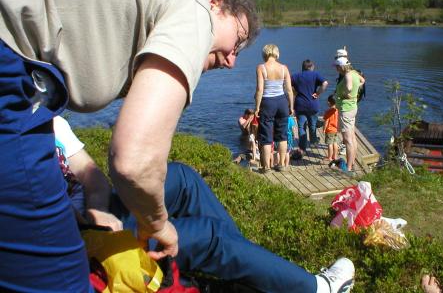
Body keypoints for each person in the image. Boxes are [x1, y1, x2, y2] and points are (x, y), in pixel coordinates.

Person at [0, 0, 260, 290]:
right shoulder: (195, 6)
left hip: (17, 67)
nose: (232, 60)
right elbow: (133, 161)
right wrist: (157, 225)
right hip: (8, 62)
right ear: (215, 3)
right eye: (238, 41)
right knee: (62, 280)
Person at [56, 116, 356, 293]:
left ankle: (243, 258)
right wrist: (87, 224)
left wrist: (96, 211)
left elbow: (93, 177)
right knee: (211, 236)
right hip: (79, 242)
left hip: (101, 216)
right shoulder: (14, 140)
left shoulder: (48, 120)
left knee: (183, 178)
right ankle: (315, 288)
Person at [254, 44, 294, 173]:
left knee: (266, 136)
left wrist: (257, 107)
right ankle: (281, 164)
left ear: (265, 53)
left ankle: (266, 167)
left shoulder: (261, 67)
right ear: (276, 53)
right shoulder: (284, 68)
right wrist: (291, 106)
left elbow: (260, 90)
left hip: (267, 102)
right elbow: (289, 90)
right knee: (282, 135)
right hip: (282, 101)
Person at [334, 56, 365, 174]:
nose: (336, 69)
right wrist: (355, 92)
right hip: (352, 107)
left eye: (337, 67)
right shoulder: (354, 73)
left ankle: (349, 168)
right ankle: (351, 163)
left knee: (347, 140)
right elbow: (363, 81)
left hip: (346, 109)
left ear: (340, 67)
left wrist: (344, 94)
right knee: (352, 137)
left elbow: (348, 88)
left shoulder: (347, 75)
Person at [291, 59, 328, 155]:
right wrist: (318, 93)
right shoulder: (315, 74)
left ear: (303, 67)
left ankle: (302, 148)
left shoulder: (296, 76)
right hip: (312, 104)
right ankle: (313, 142)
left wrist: (295, 92)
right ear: (311, 67)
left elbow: (287, 86)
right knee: (312, 124)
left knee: (301, 127)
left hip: (300, 105)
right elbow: (325, 83)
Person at [323, 95, 340, 166]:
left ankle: (329, 157)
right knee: (335, 143)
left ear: (329, 102)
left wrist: (324, 129)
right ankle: (335, 156)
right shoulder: (337, 110)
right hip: (336, 129)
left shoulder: (328, 111)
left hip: (329, 130)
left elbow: (326, 121)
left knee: (330, 144)